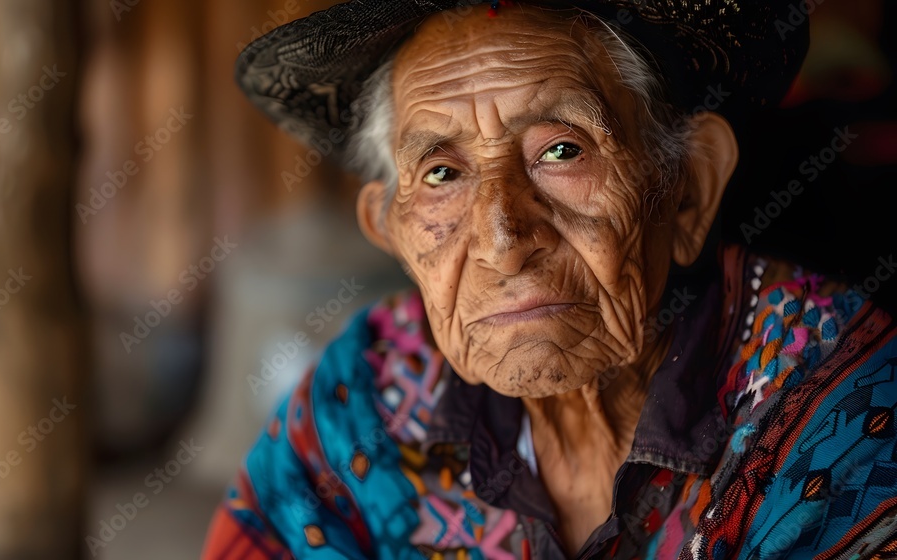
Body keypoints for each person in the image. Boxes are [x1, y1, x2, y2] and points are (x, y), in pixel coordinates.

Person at [203, 1, 897, 558]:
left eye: (561, 150)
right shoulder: (371, 389)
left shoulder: (835, 403)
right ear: (391, 232)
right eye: (442, 172)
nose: (504, 245)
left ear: (687, 188)